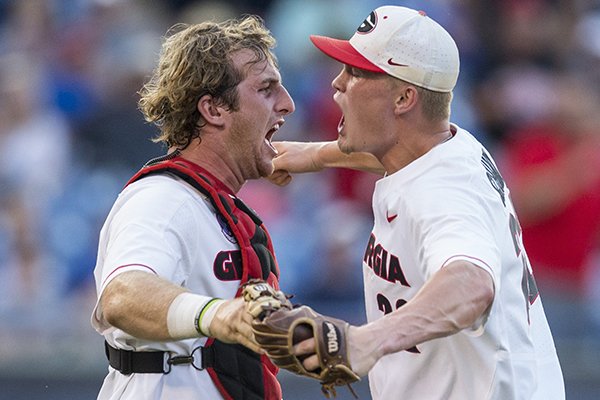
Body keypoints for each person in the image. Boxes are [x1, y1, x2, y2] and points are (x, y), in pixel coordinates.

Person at [268, 6, 565, 400]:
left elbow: (472, 284)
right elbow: (401, 150)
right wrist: (315, 156)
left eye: (355, 72)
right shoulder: (450, 145)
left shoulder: (443, 192)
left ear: (405, 96)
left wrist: (364, 342)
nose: (337, 84)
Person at [91, 16, 294, 400]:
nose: (288, 103)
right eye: (266, 89)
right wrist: (216, 315)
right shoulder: (164, 199)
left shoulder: (210, 203)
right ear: (214, 109)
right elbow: (121, 296)